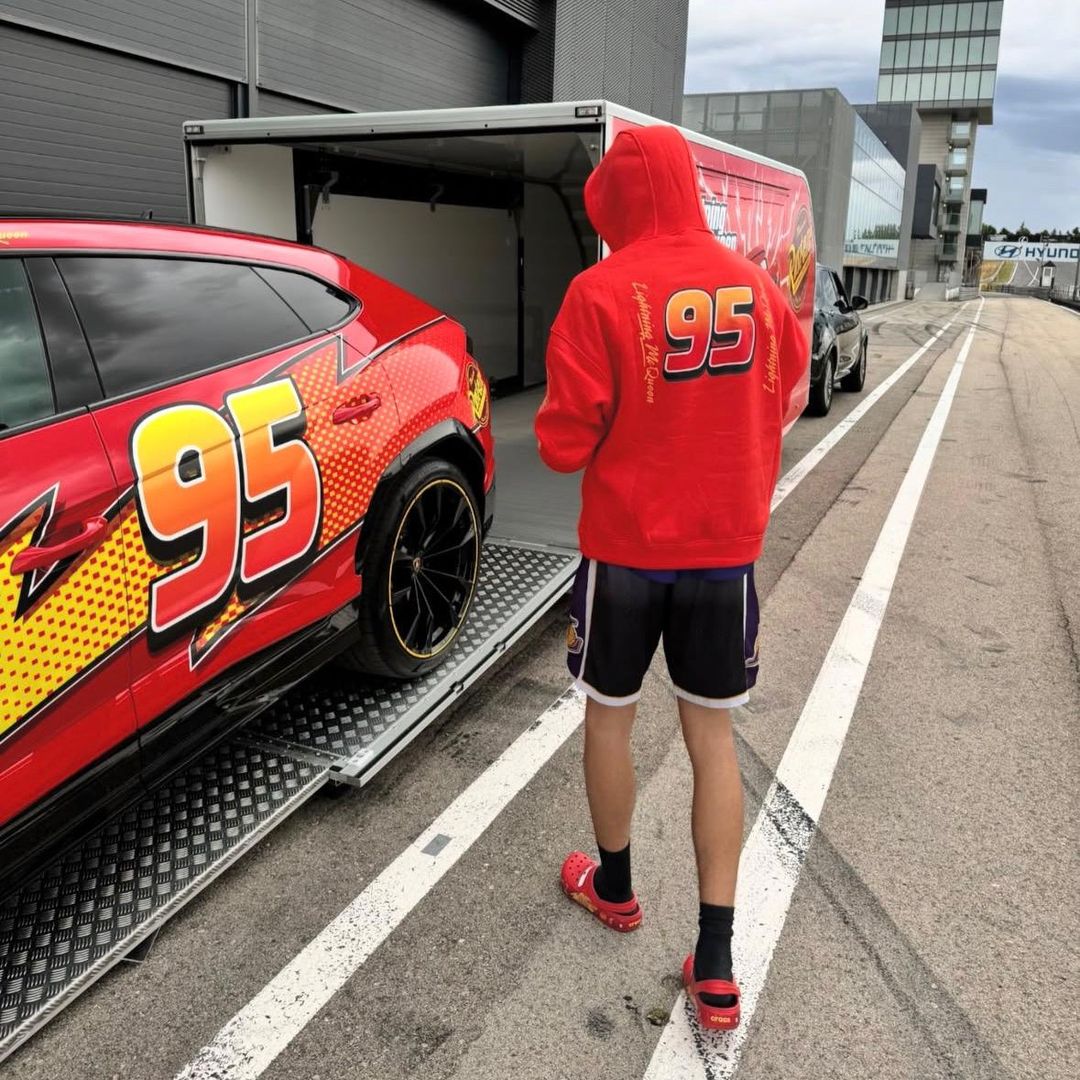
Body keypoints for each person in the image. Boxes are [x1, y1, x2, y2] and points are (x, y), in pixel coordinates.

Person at [534, 123, 808, 1032]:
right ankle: (717, 963)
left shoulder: (598, 291)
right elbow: (790, 393)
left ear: (614, 203)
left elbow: (563, 443)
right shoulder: (759, 289)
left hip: (625, 552)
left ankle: (614, 887)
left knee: (609, 718)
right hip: (724, 554)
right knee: (712, 741)